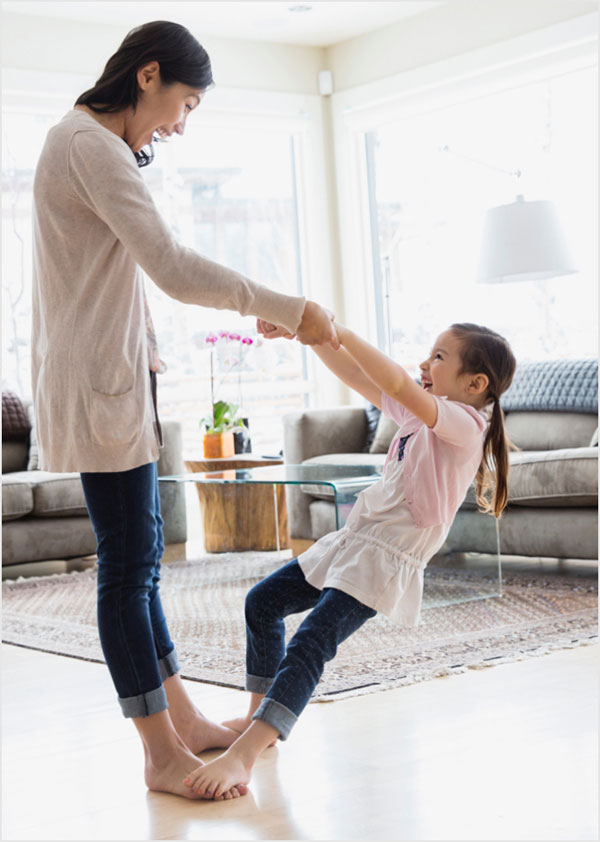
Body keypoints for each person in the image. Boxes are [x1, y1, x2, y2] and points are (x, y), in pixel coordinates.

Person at [31, 20, 338, 801]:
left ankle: (185, 723)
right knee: (128, 568)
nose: (180, 122)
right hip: (101, 385)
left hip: (117, 379)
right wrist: (289, 304)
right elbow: (167, 264)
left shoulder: (93, 144)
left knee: (142, 559)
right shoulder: (87, 144)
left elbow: (116, 273)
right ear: (148, 75)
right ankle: (159, 753)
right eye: (185, 102)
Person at [182, 320, 517, 798]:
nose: (425, 363)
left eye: (439, 357)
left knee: (312, 640)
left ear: (475, 384)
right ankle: (262, 717)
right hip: (355, 542)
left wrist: (335, 323)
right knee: (262, 603)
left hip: (385, 560)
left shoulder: (465, 425)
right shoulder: (418, 418)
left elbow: (396, 380)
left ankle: (248, 752)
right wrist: (310, 332)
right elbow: (359, 376)